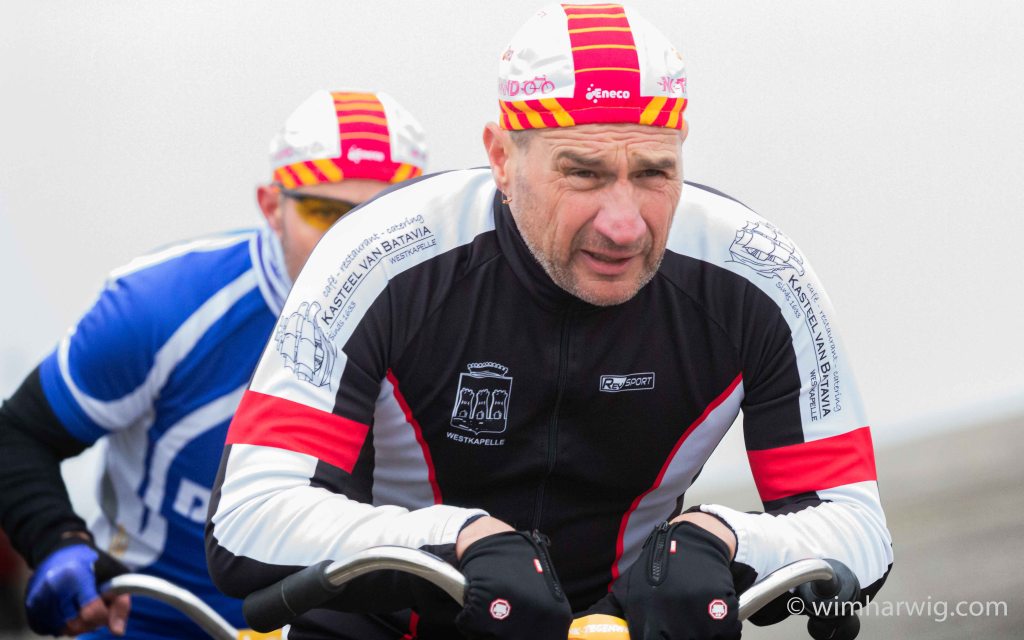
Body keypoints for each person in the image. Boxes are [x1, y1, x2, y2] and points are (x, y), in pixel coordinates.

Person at [206, 4, 894, 639]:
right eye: (584, 173)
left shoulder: (761, 273)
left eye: (653, 173)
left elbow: (860, 531)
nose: (624, 225)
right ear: (502, 158)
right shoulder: (377, 254)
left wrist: (726, 540)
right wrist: (457, 542)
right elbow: (247, 517)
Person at [0, 88, 428, 639]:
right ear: (272, 207)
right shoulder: (161, 305)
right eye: (325, 212)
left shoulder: (450, 314)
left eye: (378, 215)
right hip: (153, 624)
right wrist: (57, 541)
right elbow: (19, 434)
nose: (352, 242)